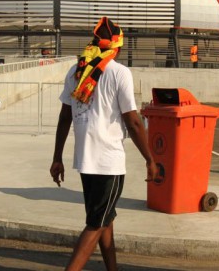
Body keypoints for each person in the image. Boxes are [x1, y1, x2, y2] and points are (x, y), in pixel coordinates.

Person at [50, 17, 158, 271]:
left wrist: (57, 157)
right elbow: (132, 121)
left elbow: (65, 116)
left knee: (104, 218)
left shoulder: (77, 70)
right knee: (96, 223)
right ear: (117, 47)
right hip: (108, 162)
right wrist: (150, 160)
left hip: (85, 161)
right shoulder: (120, 72)